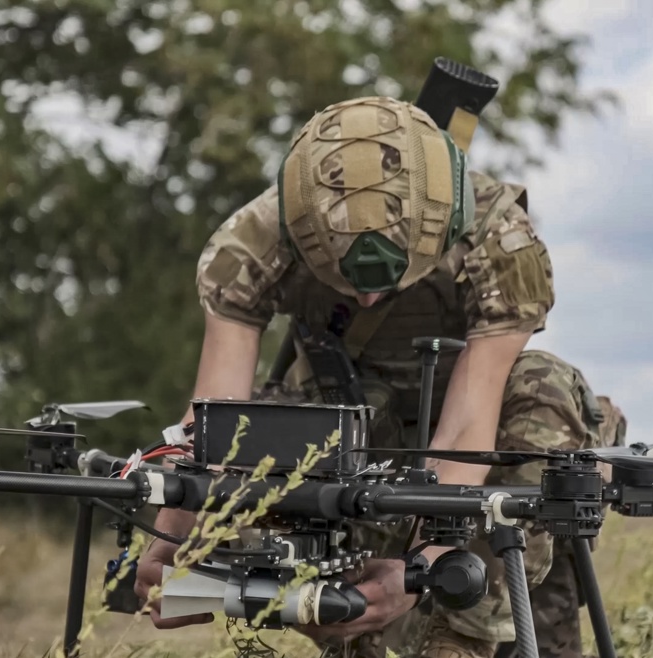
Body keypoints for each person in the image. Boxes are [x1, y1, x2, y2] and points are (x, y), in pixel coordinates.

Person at [134, 95, 627, 658]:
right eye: (343, 276)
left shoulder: (500, 242)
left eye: (388, 278)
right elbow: (217, 421)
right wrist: (173, 540)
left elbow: (467, 427)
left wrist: (419, 575)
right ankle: (338, 612)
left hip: (475, 447)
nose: (367, 296)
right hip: (351, 431)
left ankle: (454, 637)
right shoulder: (249, 246)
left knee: (546, 391)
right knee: (279, 429)